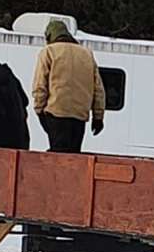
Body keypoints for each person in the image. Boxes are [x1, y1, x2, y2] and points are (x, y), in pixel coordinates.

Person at [32, 20, 105, 153]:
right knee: (74, 159)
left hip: (56, 114)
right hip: (79, 117)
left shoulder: (48, 52)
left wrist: (39, 110)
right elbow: (98, 89)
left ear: (49, 36)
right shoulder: (87, 54)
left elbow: (39, 85)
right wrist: (98, 117)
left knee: (58, 159)